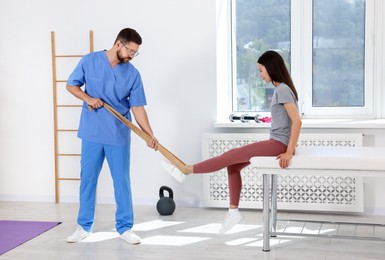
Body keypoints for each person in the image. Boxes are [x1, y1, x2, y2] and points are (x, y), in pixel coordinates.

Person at [162, 50, 302, 233]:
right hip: (277, 141)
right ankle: (233, 211)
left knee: (229, 156)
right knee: (233, 166)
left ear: (270, 68)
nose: (260, 75)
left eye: (261, 70)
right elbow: (288, 120)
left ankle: (185, 170)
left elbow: (297, 121)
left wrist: (289, 151)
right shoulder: (281, 89)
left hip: (279, 144)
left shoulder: (282, 89)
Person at [65, 28, 158, 244]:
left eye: (135, 53)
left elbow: (138, 108)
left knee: (122, 182)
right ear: (118, 44)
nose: (132, 56)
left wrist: (149, 135)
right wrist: (88, 98)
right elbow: (71, 85)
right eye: (131, 51)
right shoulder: (90, 61)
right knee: (88, 180)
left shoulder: (133, 74)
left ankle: (125, 228)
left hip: (118, 134)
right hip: (92, 132)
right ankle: (84, 226)